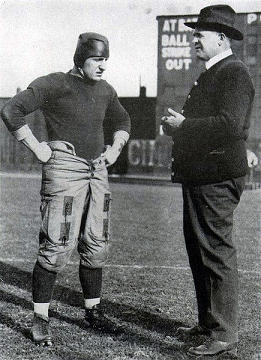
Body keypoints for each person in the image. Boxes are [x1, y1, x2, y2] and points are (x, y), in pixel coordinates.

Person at [1, 32, 131, 346]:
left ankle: (93, 312)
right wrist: (36, 147)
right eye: (97, 60)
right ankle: (40, 319)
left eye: (105, 61)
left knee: (97, 240)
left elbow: (123, 118)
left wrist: (114, 148)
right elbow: (11, 110)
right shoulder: (56, 83)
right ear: (81, 57)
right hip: (65, 168)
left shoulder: (105, 90)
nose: (102, 67)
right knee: (57, 243)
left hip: (97, 169)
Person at [161, 5, 255, 357]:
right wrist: (180, 127)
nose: (194, 39)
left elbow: (232, 125)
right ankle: (208, 322)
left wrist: (184, 126)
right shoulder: (216, 72)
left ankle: (225, 332)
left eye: (200, 34)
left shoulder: (232, 73)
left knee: (215, 251)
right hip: (202, 175)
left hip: (215, 178)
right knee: (200, 249)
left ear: (221, 37)